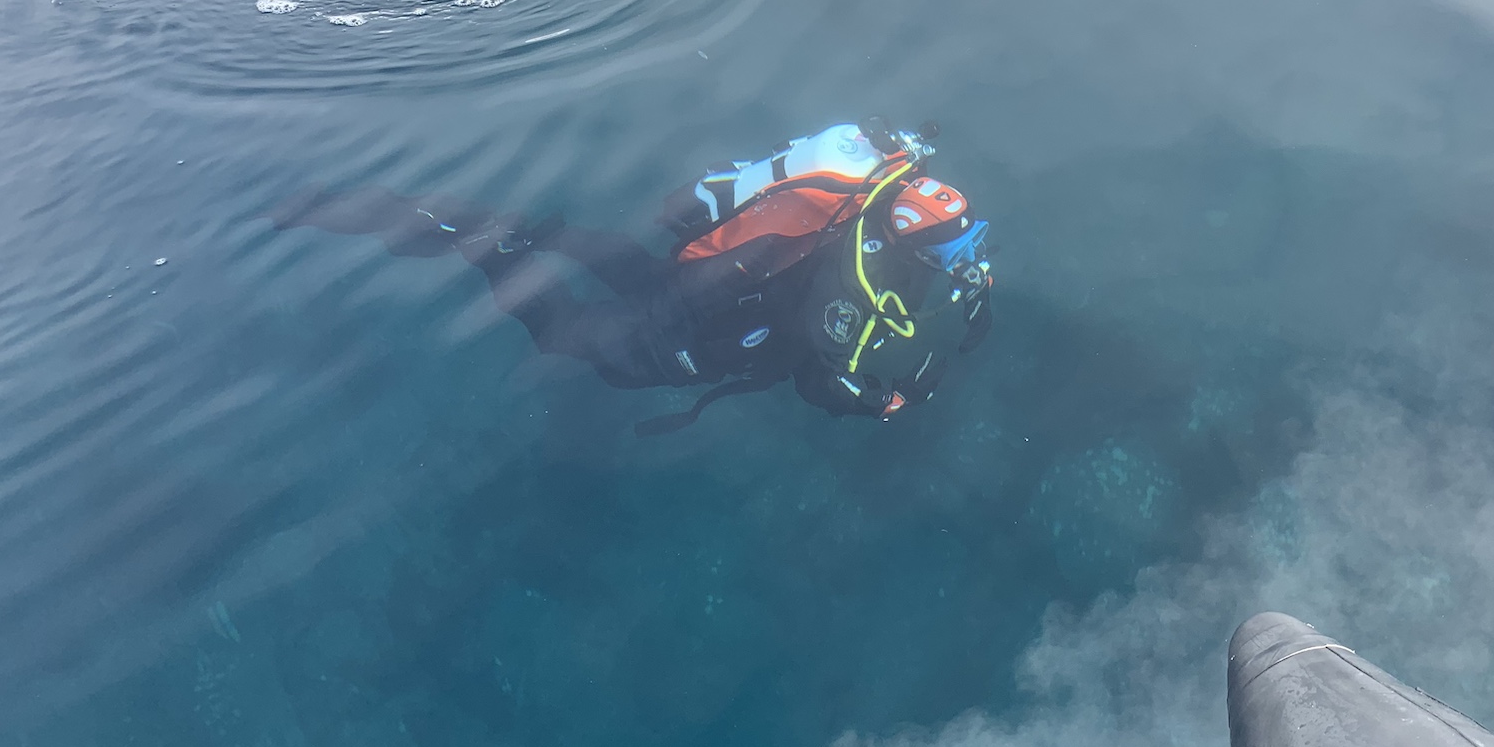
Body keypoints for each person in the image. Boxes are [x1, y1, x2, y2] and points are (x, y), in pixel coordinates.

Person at [269, 119, 993, 435]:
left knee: (607, 256)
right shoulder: (859, 288)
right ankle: (481, 243)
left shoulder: (856, 213)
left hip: (699, 278)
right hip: (688, 334)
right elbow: (817, 378)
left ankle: (510, 226)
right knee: (562, 335)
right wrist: (877, 402)